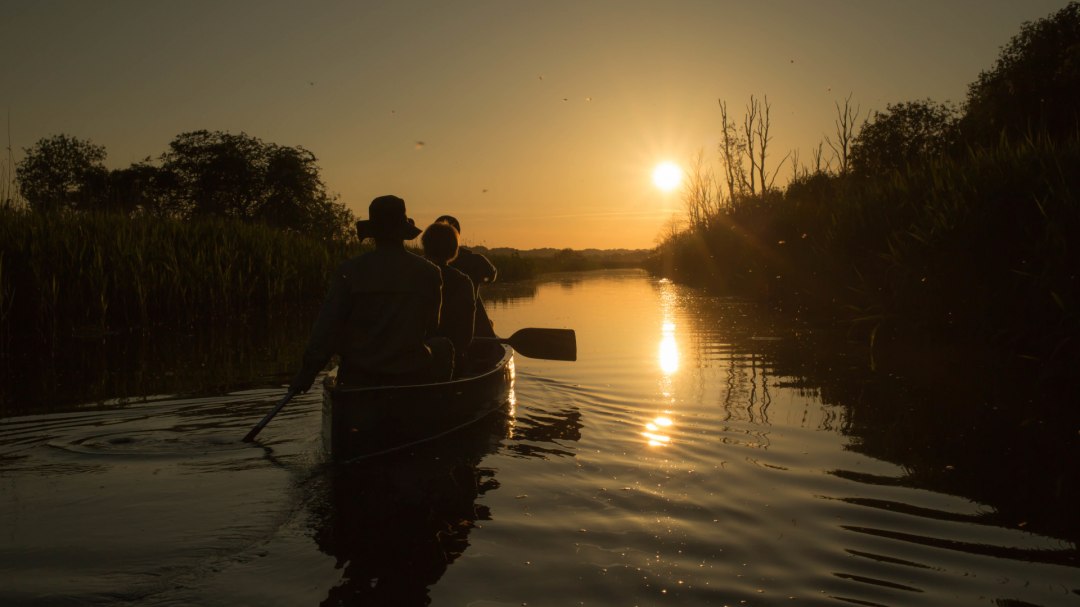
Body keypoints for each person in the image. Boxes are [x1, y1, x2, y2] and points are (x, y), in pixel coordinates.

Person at [290, 195, 452, 392]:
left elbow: (327, 329)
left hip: (359, 377)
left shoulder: (349, 270)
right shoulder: (429, 273)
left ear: (374, 232)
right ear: (402, 232)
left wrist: (307, 374)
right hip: (410, 374)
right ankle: (439, 405)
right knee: (442, 346)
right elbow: (431, 328)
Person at [421, 221, 476, 375]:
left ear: (426, 247)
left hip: (412, 359)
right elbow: (466, 337)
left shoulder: (411, 275)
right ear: (453, 250)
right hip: (452, 361)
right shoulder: (463, 282)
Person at [435, 215, 497, 338]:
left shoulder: (421, 263)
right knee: (487, 322)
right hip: (469, 329)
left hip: (436, 331)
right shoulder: (475, 260)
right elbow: (492, 275)